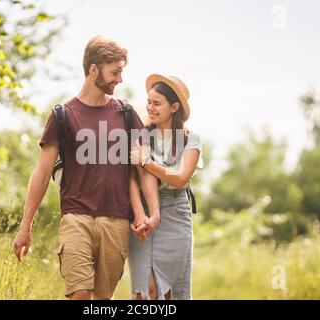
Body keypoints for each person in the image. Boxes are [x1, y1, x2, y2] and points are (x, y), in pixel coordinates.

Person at [12, 36, 160, 300]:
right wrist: (25, 227)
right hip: (76, 218)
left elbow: (144, 170)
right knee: (79, 295)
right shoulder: (63, 116)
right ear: (94, 69)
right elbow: (42, 174)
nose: (120, 80)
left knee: (102, 301)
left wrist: (150, 213)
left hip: (115, 221)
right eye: (115, 72)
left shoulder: (126, 114)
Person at [129, 74, 203, 300]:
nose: (150, 108)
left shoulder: (191, 139)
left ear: (174, 107)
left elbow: (180, 179)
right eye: (148, 102)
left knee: (170, 291)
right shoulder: (140, 134)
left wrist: (147, 162)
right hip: (142, 212)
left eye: (157, 103)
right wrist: (140, 213)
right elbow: (131, 178)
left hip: (175, 212)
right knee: (144, 288)